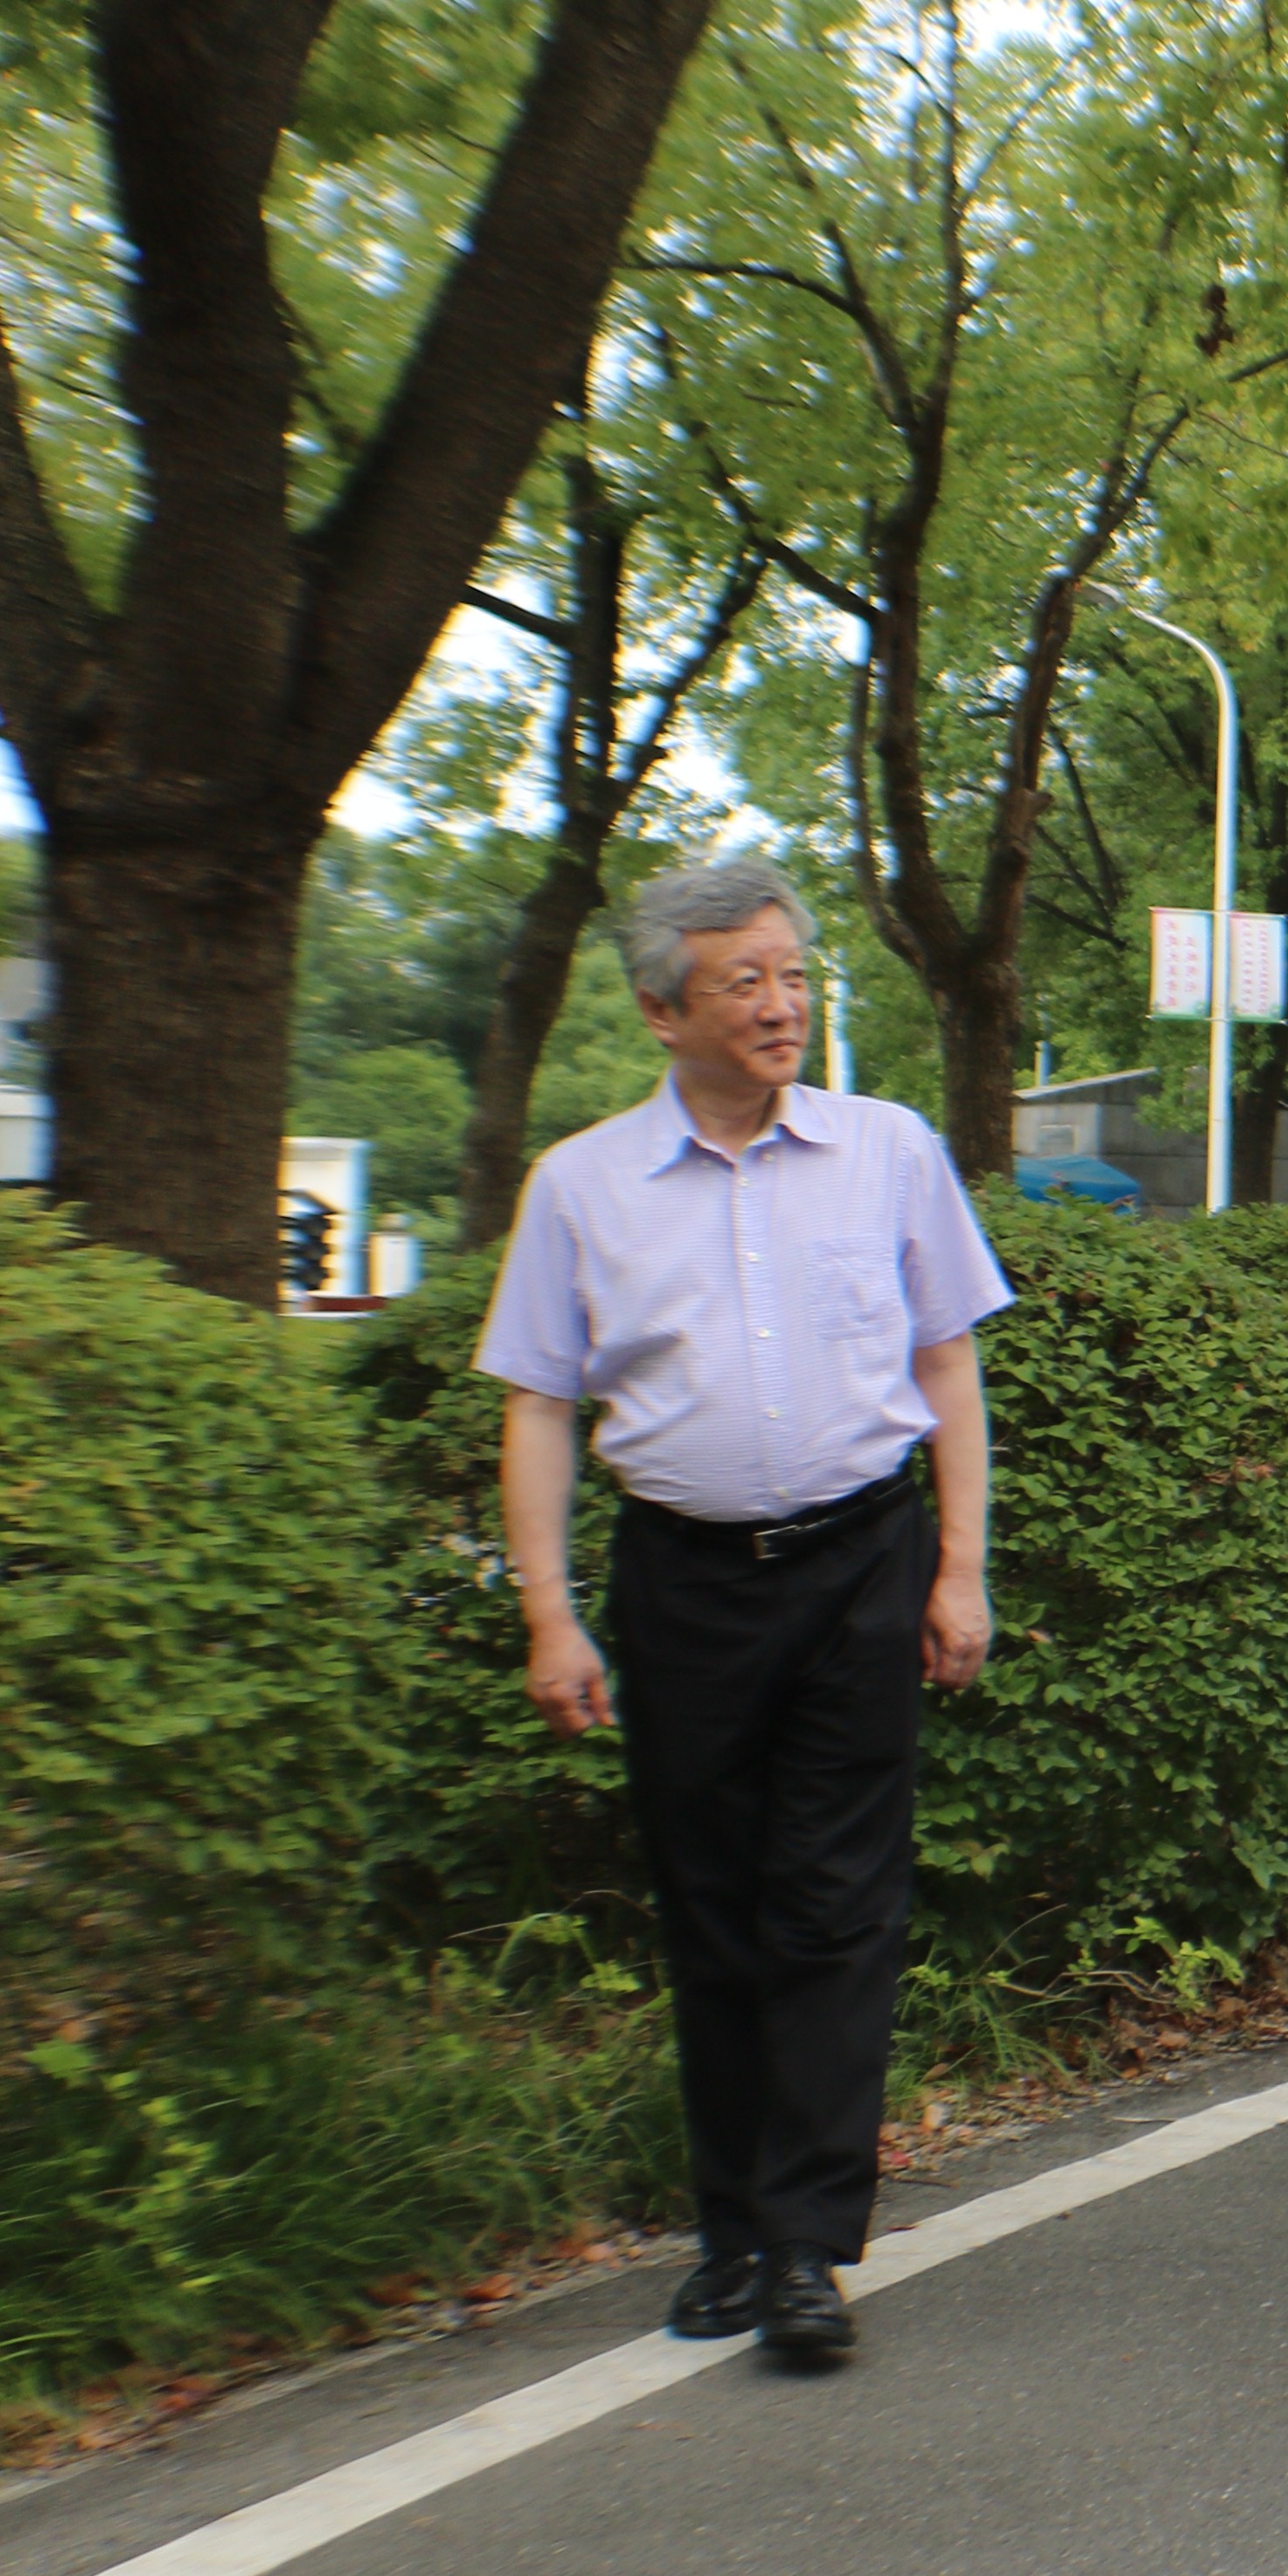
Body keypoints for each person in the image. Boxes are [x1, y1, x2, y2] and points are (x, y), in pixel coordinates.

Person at [481, 855, 1008, 2364]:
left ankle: (805, 2250)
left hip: (862, 1562)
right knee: (711, 1909)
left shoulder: (889, 1151)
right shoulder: (582, 1187)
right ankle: (730, 2232)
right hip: (684, 1581)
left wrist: (959, 1564)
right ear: (663, 1012)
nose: (782, 1006)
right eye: (745, 983)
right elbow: (539, 1409)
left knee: (838, 1908)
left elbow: (948, 1367)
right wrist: (549, 1613)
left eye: (793, 974)